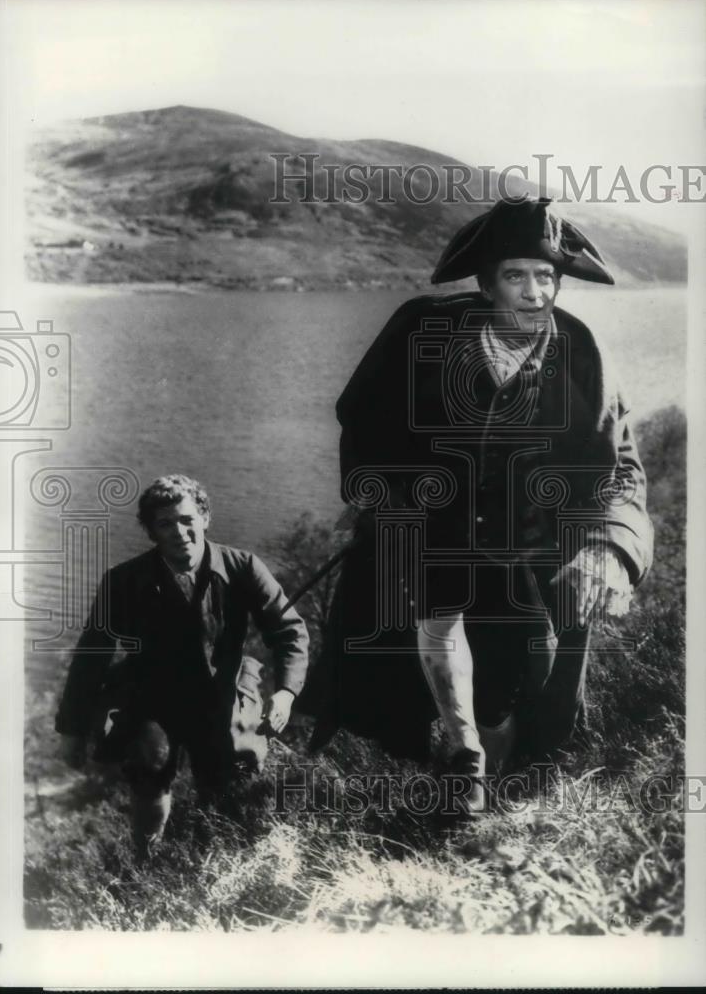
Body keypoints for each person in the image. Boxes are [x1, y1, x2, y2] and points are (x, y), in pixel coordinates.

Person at [309, 197, 653, 810]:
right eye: (516, 275)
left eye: (545, 276)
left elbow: (620, 470)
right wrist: (389, 499)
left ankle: (497, 788)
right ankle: (452, 777)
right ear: (487, 283)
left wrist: (610, 548)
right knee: (410, 683)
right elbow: (362, 422)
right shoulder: (422, 330)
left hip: (530, 557)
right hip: (430, 542)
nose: (534, 292)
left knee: (518, 689)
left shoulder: (582, 354)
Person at [56, 474, 309, 856]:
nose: (179, 532)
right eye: (165, 524)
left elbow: (288, 630)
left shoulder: (243, 567)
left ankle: (211, 858)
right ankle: (146, 856)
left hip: (221, 693)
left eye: (187, 519)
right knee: (150, 765)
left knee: (228, 777)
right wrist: (72, 730)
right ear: (151, 532)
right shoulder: (123, 581)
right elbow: (92, 656)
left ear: (205, 518)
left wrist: (286, 693)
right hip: (152, 697)